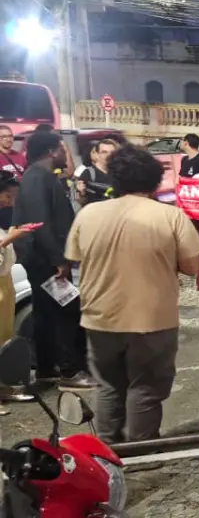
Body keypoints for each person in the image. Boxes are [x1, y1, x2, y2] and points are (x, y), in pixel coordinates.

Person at [66, 146, 199, 444]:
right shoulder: (170, 216)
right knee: (146, 386)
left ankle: (106, 448)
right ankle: (141, 447)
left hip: (99, 316)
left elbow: (75, 256)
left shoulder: (88, 214)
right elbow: (192, 267)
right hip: (153, 318)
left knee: (107, 385)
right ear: (155, 180)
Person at [13, 131, 93, 389]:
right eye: (61, 149)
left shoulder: (42, 176)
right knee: (68, 313)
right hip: (46, 261)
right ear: (50, 151)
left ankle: (48, 368)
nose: (64, 154)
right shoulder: (37, 177)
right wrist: (58, 259)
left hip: (45, 258)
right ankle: (70, 371)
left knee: (46, 314)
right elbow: (39, 223)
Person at [0, 173, 36, 407]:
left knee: (4, 337)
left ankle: (3, 388)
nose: (11, 200)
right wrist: (9, 239)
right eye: (6, 195)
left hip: (5, 283)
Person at [76, 139, 118, 206]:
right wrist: (82, 193)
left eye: (112, 152)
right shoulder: (88, 173)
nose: (109, 155)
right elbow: (81, 202)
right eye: (104, 152)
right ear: (97, 154)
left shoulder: (119, 173)